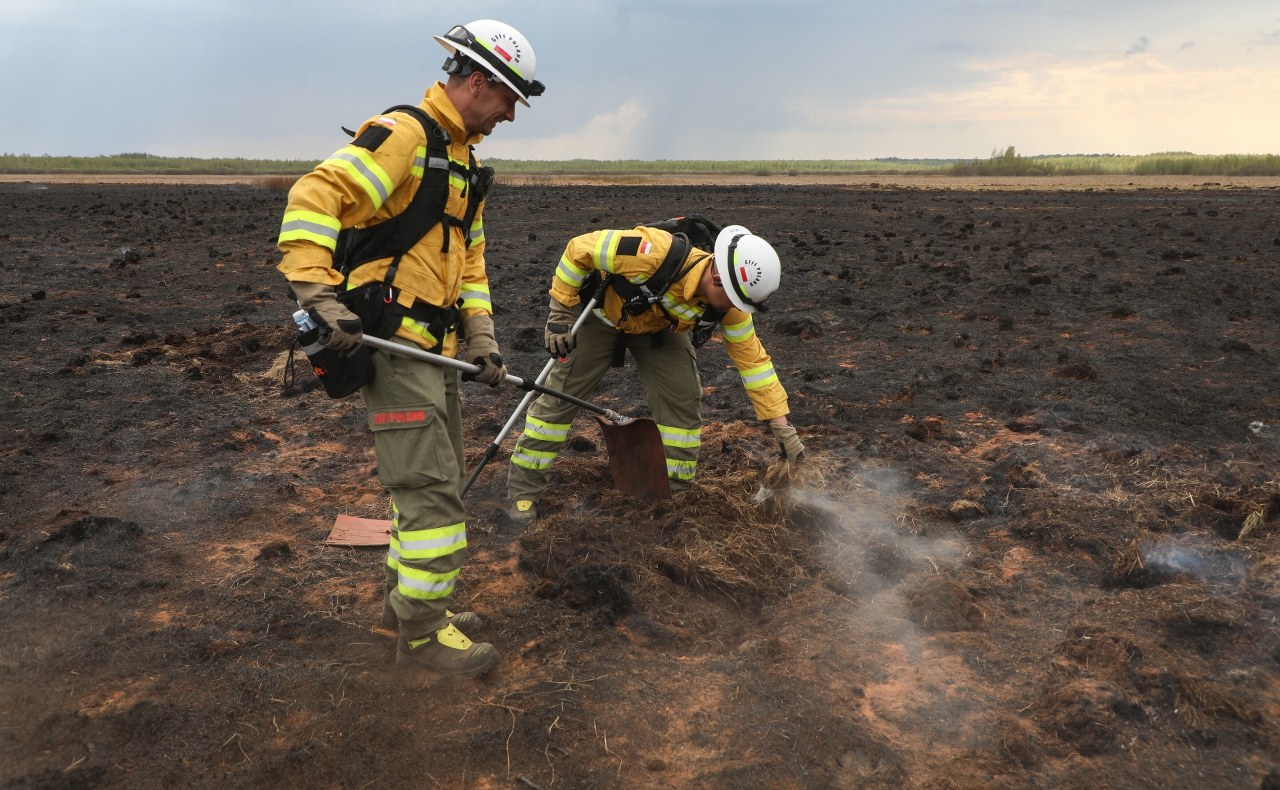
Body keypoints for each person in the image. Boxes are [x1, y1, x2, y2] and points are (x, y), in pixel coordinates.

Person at [275, 19, 545, 678]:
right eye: (507, 98)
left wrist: (480, 335)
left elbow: (470, 261)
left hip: (435, 350)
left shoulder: (463, 163)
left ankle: (407, 609)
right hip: (394, 345)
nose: (510, 115)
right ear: (477, 82)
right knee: (431, 494)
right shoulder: (405, 136)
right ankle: (423, 635)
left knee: (427, 485)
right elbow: (315, 196)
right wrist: (317, 294)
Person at [505, 223, 805, 522]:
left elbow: (754, 365)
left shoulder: (731, 308)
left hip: (661, 329)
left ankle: (676, 491)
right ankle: (524, 492)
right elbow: (577, 250)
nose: (737, 308)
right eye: (735, 300)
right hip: (602, 318)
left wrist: (782, 428)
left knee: (683, 398)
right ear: (718, 279)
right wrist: (560, 313)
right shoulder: (650, 252)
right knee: (557, 400)